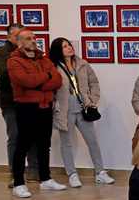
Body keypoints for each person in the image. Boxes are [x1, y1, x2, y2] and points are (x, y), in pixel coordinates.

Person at [7, 29, 67, 198]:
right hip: (26, 107)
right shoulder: (14, 61)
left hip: (45, 106)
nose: (33, 41)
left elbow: (57, 81)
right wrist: (45, 76)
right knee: (23, 145)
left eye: (34, 38)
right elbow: (24, 80)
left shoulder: (44, 59)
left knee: (43, 144)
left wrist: (39, 83)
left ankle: (45, 180)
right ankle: (19, 183)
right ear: (19, 43)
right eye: (28, 38)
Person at [48, 37, 115, 187]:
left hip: (83, 107)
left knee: (92, 141)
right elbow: (50, 87)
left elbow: (94, 82)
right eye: (65, 46)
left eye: (69, 45)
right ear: (58, 50)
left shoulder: (82, 64)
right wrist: (54, 104)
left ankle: (100, 172)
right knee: (66, 143)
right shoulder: (53, 67)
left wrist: (92, 99)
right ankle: (72, 174)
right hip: (64, 109)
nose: (69, 48)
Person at [0, 22, 38, 186]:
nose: (22, 39)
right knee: (15, 137)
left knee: (33, 136)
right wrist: (23, 72)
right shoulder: (0, 53)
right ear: (9, 37)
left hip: (31, 99)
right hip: (10, 101)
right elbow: (5, 73)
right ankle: (15, 172)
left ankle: (34, 170)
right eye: (18, 36)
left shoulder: (33, 52)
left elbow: (40, 74)